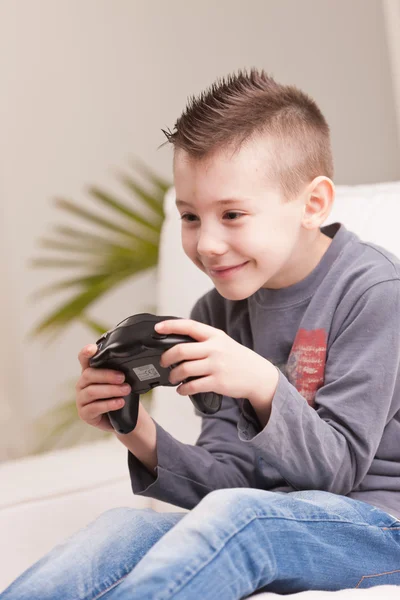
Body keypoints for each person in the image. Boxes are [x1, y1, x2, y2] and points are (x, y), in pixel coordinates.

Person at [2, 68, 400, 600]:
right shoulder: (215, 312)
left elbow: (336, 476)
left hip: (375, 526)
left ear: (313, 204)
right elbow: (226, 486)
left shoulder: (374, 291)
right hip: (263, 516)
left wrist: (261, 383)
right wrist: (134, 429)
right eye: (190, 216)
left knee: (246, 518)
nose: (207, 244)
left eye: (232, 214)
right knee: (121, 530)